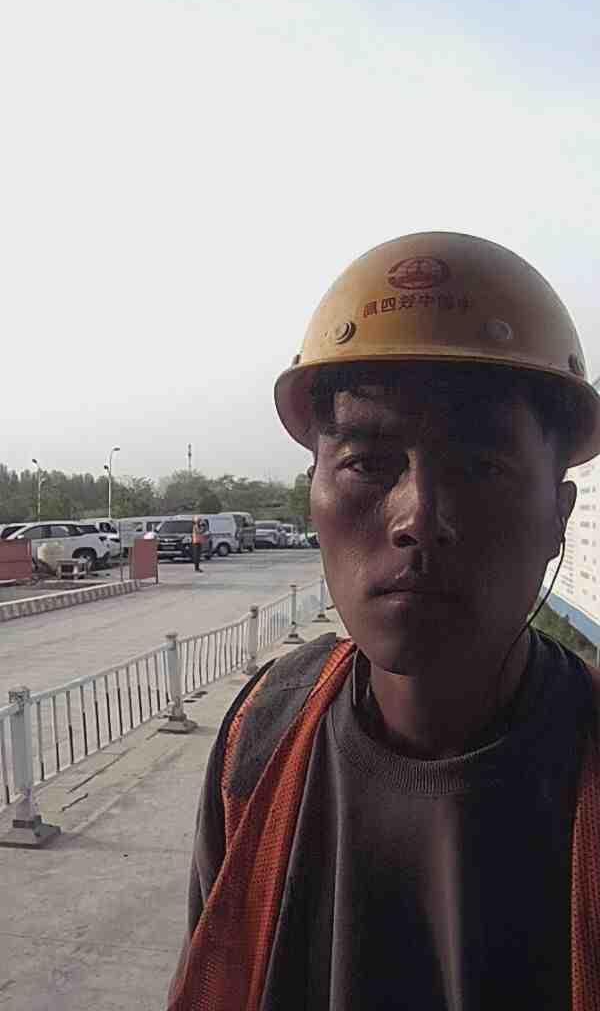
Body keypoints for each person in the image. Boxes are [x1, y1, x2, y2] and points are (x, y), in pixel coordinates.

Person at [167, 233, 600, 1011]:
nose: (418, 517)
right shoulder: (261, 739)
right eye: (369, 463)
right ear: (314, 498)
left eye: (482, 466)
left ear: (557, 517)